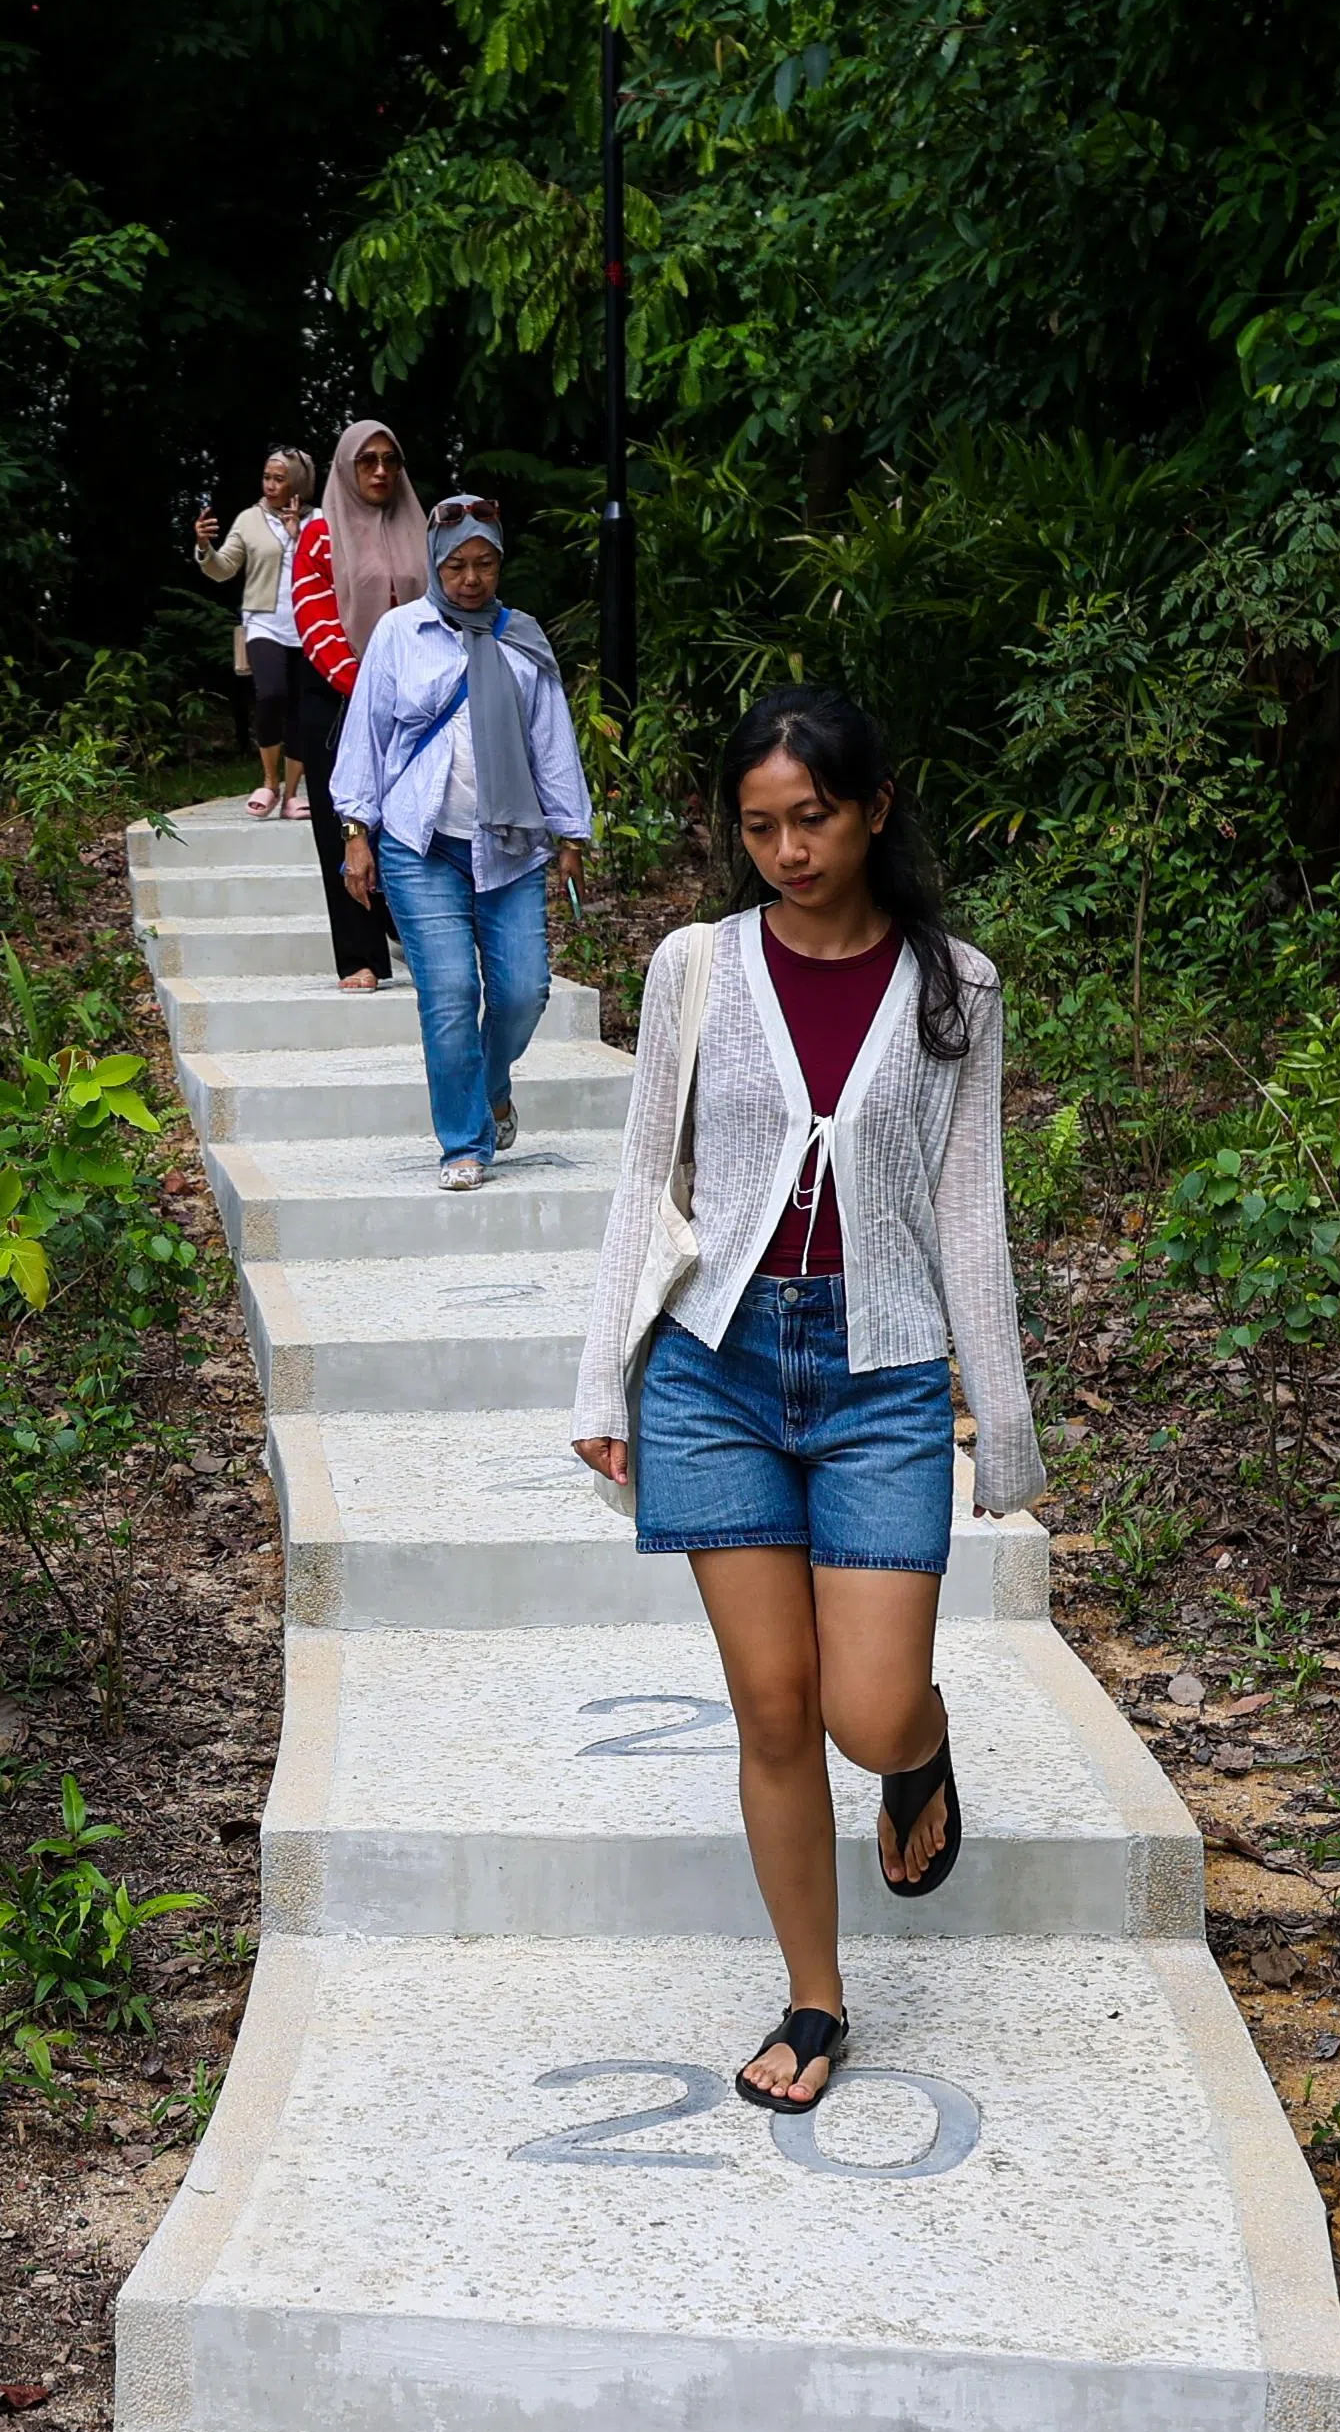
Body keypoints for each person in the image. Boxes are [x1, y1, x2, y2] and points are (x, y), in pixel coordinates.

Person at [563, 688, 1042, 2115]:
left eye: (812, 819)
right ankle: (816, 1999)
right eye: (760, 826)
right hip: (715, 1368)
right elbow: (647, 1184)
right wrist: (606, 1380)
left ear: (875, 808)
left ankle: (922, 1751)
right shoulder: (693, 969)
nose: (785, 850)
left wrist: (1002, 1418)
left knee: (867, 1706)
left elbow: (971, 1218)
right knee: (772, 1709)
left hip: (881, 1374)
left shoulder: (958, 985)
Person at [329, 493, 591, 1189]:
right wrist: (357, 833)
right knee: (448, 991)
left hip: (509, 848)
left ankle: (492, 1082)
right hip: (421, 845)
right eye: (457, 566)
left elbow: (551, 741)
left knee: (524, 991)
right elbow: (367, 735)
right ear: (436, 565)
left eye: (485, 564)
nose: (471, 579)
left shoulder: (522, 638)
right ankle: (464, 1144)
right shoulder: (398, 635)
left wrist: (571, 832)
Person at [284, 419, 427, 991]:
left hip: (418, 702)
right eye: (367, 461)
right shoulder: (320, 536)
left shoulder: (424, 529)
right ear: (345, 468)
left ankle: (416, 929)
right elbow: (315, 624)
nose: (380, 472)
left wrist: (418, 690)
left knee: (415, 822)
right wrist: (370, 689)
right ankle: (361, 957)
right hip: (340, 699)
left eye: (390, 461)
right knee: (343, 828)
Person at [193, 452, 312, 817]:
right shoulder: (249, 519)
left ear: (298, 483)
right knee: (271, 693)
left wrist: (298, 537)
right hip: (264, 623)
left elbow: (332, 567)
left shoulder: (321, 521)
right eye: (266, 477)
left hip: (309, 626)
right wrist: (203, 547)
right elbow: (224, 568)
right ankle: (268, 782)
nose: (270, 485)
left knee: (301, 709)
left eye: (279, 478)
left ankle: (292, 794)